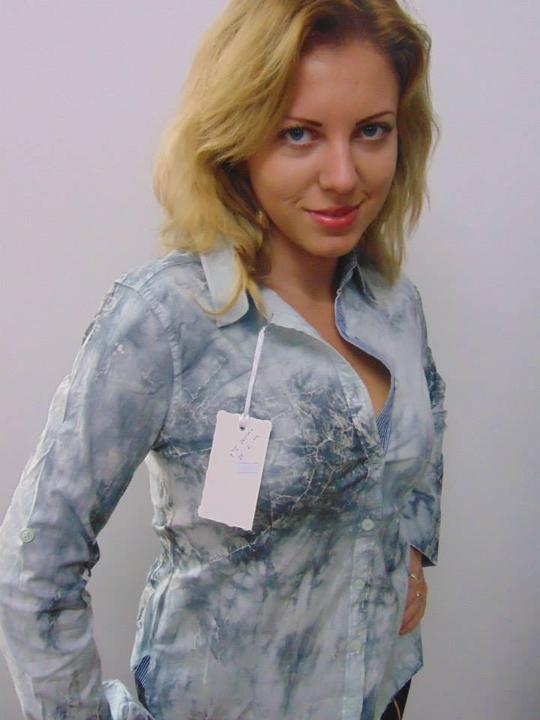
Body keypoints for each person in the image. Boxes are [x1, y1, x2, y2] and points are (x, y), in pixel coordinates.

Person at [0, 1, 447, 718]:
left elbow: (426, 416)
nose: (343, 176)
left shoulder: (394, 304)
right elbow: (34, 560)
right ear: (237, 138)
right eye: (299, 134)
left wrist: (413, 551)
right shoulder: (168, 321)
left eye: (372, 131)